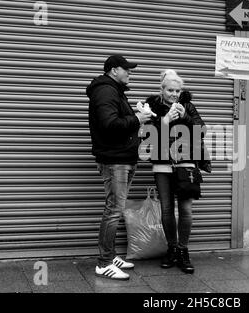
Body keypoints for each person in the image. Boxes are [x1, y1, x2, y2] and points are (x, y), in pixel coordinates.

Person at [86, 54, 152, 280]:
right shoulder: (105, 91)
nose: (130, 73)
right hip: (115, 160)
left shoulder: (114, 91)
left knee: (115, 208)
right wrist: (138, 119)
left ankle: (111, 256)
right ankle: (104, 263)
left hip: (122, 158)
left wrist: (135, 113)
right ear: (114, 70)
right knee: (113, 211)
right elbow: (110, 125)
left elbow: (116, 120)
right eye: (127, 70)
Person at [144, 69, 206, 274]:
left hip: (185, 162)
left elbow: (201, 129)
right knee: (167, 209)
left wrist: (185, 116)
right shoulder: (152, 106)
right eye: (170, 90)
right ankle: (171, 248)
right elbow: (146, 133)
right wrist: (165, 120)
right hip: (162, 162)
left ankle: (183, 250)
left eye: (178, 90)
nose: (174, 94)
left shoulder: (187, 105)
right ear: (162, 90)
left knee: (186, 209)